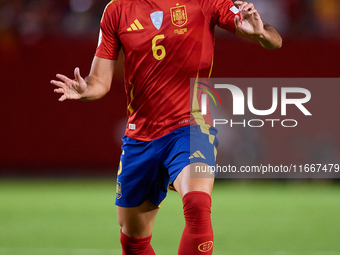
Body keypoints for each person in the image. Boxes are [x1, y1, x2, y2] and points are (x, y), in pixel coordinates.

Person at [51, 0, 282, 254]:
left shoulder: (205, 2)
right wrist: (85, 89)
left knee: (197, 204)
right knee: (133, 238)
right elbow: (99, 81)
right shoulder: (117, 10)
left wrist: (262, 34)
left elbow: (274, 40)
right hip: (141, 136)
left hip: (190, 125)